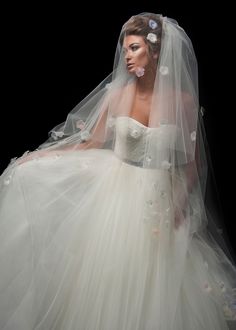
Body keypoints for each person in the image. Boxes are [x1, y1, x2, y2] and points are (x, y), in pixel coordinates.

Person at [0, 12, 236, 330]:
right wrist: (41, 159)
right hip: (116, 195)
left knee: (160, 281)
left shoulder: (182, 101)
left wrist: (180, 205)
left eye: (135, 48)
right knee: (109, 276)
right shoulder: (118, 94)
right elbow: (90, 143)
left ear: (156, 53)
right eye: (125, 49)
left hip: (159, 197)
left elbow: (193, 162)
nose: (127, 55)